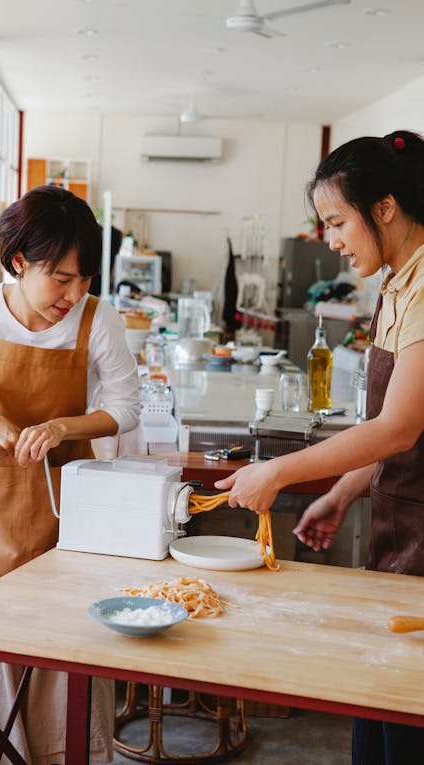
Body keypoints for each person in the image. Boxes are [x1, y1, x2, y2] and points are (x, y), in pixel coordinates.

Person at [214, 130, 424, 765]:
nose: (330, 239)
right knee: (378, 718)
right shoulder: (395, 284)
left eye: (337, 221)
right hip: (400, 532)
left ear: (384, 207)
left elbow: (398, 429)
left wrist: (277, 472)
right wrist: (339, 493)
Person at [0, 185, 140, 764]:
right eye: (60, 279)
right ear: (18, 262)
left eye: (85, 278)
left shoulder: (99, 319)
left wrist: (66, 427)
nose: (74, 294)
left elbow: (126, 406)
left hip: (67, 521)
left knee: (68, 667)